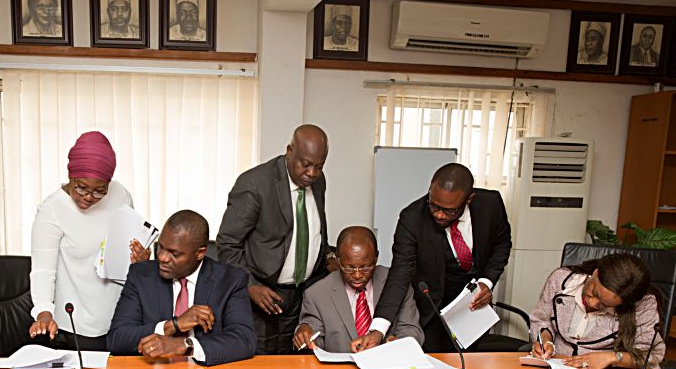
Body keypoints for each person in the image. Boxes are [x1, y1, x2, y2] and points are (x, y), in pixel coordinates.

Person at [355, 163, 511, 354]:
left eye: (449, 211)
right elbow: (400, 274)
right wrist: (378, 329)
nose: (439, 214)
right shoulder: (411, 219)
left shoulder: (491, 205)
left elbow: (501, 245)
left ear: (469, 199)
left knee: (468, 365)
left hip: (472, 309)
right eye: (434, 205)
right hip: (430, 310)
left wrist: (486, 282)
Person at [28, 131, 149, 352]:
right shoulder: (51, 211)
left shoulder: (120, 195)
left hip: (122, 314)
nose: (89, 197)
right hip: (78, 322)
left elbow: (128, 242)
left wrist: (140, 258)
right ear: (70, 175)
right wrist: (44, 311)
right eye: (81, 187)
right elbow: (43, 271)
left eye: (99, 191)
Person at [217, 124, 331, 354]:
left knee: (294, 364)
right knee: (259, 367)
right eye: (306, 164)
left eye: (319, 166)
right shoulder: (254, 184)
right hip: (261, 296)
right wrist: (250, 286)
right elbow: (227, 244)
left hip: (300, 295)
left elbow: (311, 230)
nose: (312, 173)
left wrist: (327, 256)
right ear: (289, 151)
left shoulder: (318, 181)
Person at [108, 210, 256, 366]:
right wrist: (173, 325)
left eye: (175, 254)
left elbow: (244, 340)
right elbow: (116, 339)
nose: (163, 258)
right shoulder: (141, 275)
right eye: (161, 247)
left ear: (200, 253)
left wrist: (184, 346)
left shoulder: (230, 280)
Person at [293, 226, 423, 353]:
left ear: (376, 258)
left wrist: (402, 343)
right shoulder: (316, 293)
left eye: (365, 268)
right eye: (349, 268)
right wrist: (305, 337)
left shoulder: (396, 283)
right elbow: (314, 339)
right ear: (338, 260)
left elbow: (411, 329)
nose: (357, 275)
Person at [529, 253, 664, 369]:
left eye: (604, 305)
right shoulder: (561, 280)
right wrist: (545, 341)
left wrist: (613, 358)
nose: (592, 303)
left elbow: (652, 357)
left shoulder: (643, 305)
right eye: (594, 292)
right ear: (596, 273)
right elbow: (542, 319)